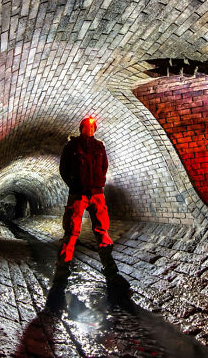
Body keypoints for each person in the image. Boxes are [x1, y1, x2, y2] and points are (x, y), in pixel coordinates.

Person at [52, 116, 129, 290]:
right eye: (88, 127)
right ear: (81, 128)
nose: (91, 129)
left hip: (96, 194)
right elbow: (63, 169)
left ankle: (110, 269)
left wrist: (99, 181)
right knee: (71, 231)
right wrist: (73, 184)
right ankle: (62, 270)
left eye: (93, 127)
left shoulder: (99, 147)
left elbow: (104, 167)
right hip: (78, 194)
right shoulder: (71, 146)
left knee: (102, 229)